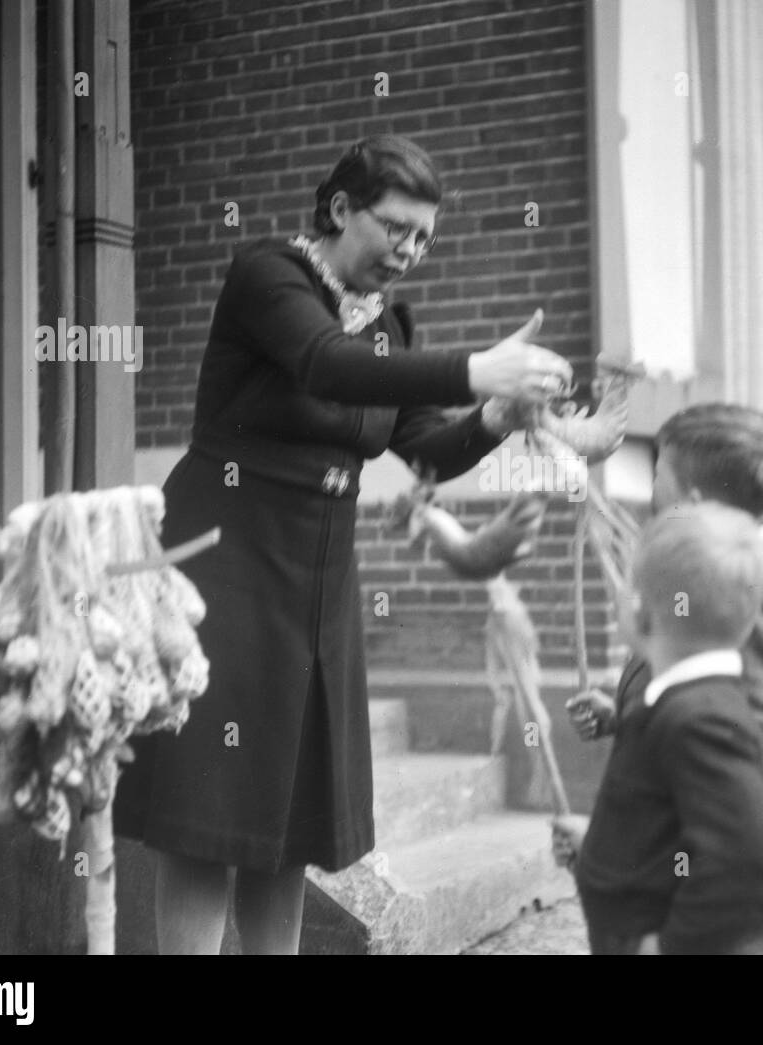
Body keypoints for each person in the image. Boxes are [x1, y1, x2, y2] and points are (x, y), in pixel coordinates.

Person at [113, 135, 573, 954]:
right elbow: (325, 366)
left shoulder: (390, 322)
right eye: (396, 228)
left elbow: (425, 446)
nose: (410, 251)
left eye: (425, 238)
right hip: (225, 555)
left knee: (286, 814)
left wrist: (497, 417)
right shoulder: (268, 275)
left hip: (319, 575)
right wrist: (476, 369)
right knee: (209, 814)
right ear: (338, 210)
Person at [555, 403, 763, 953]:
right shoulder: (705, 580)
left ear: (693, 505)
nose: (650, 493)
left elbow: (758, 746)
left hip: (726, 856)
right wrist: (627, 715)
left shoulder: (749, 595)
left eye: (657, 477)